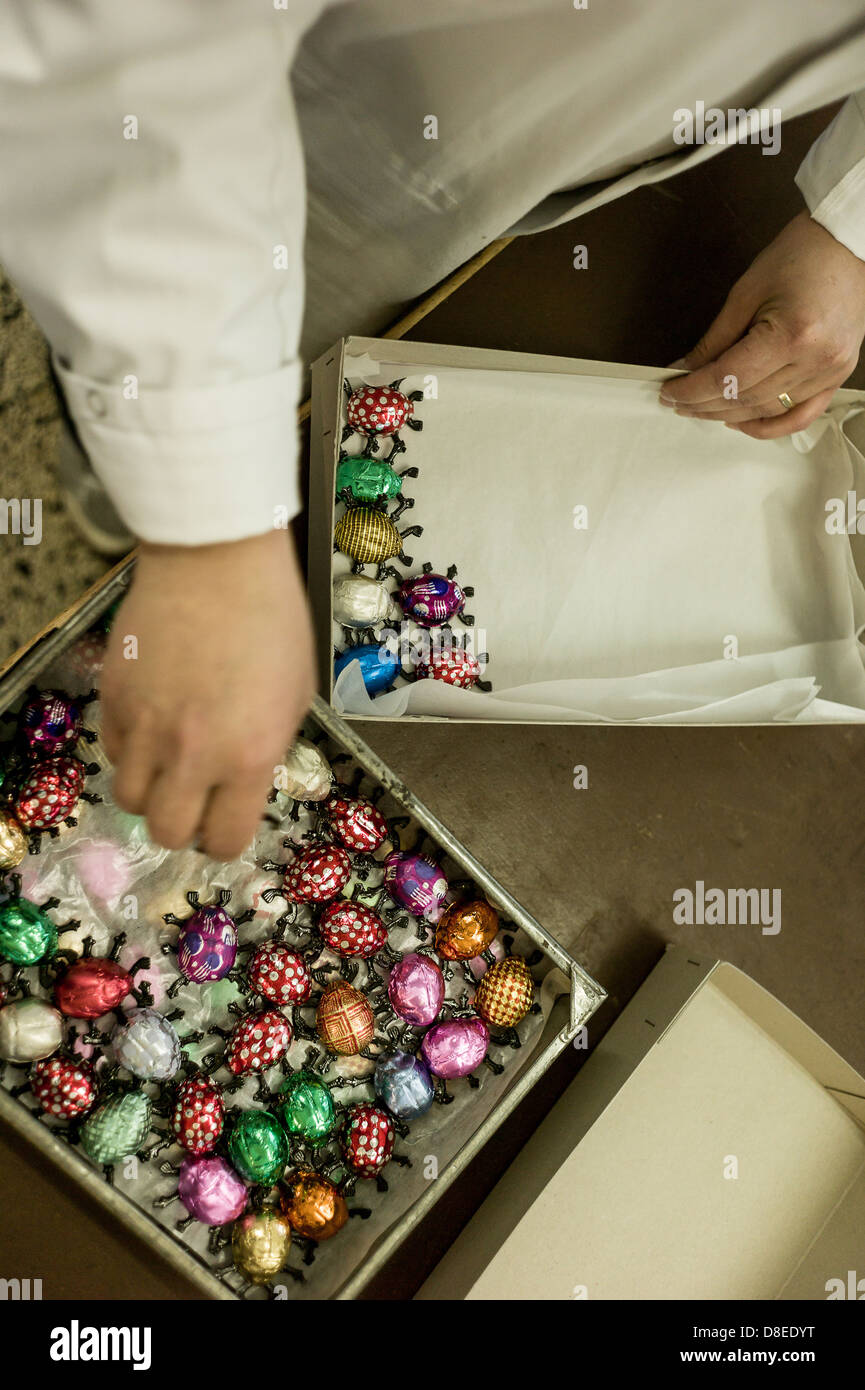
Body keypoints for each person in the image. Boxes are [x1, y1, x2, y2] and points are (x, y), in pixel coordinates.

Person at [1, 0, 864, 857]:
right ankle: (100, 496)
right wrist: (204, 522)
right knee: (151, 386)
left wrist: (850, 223)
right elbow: (127, 39)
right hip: (311, 123)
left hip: (597, 160)